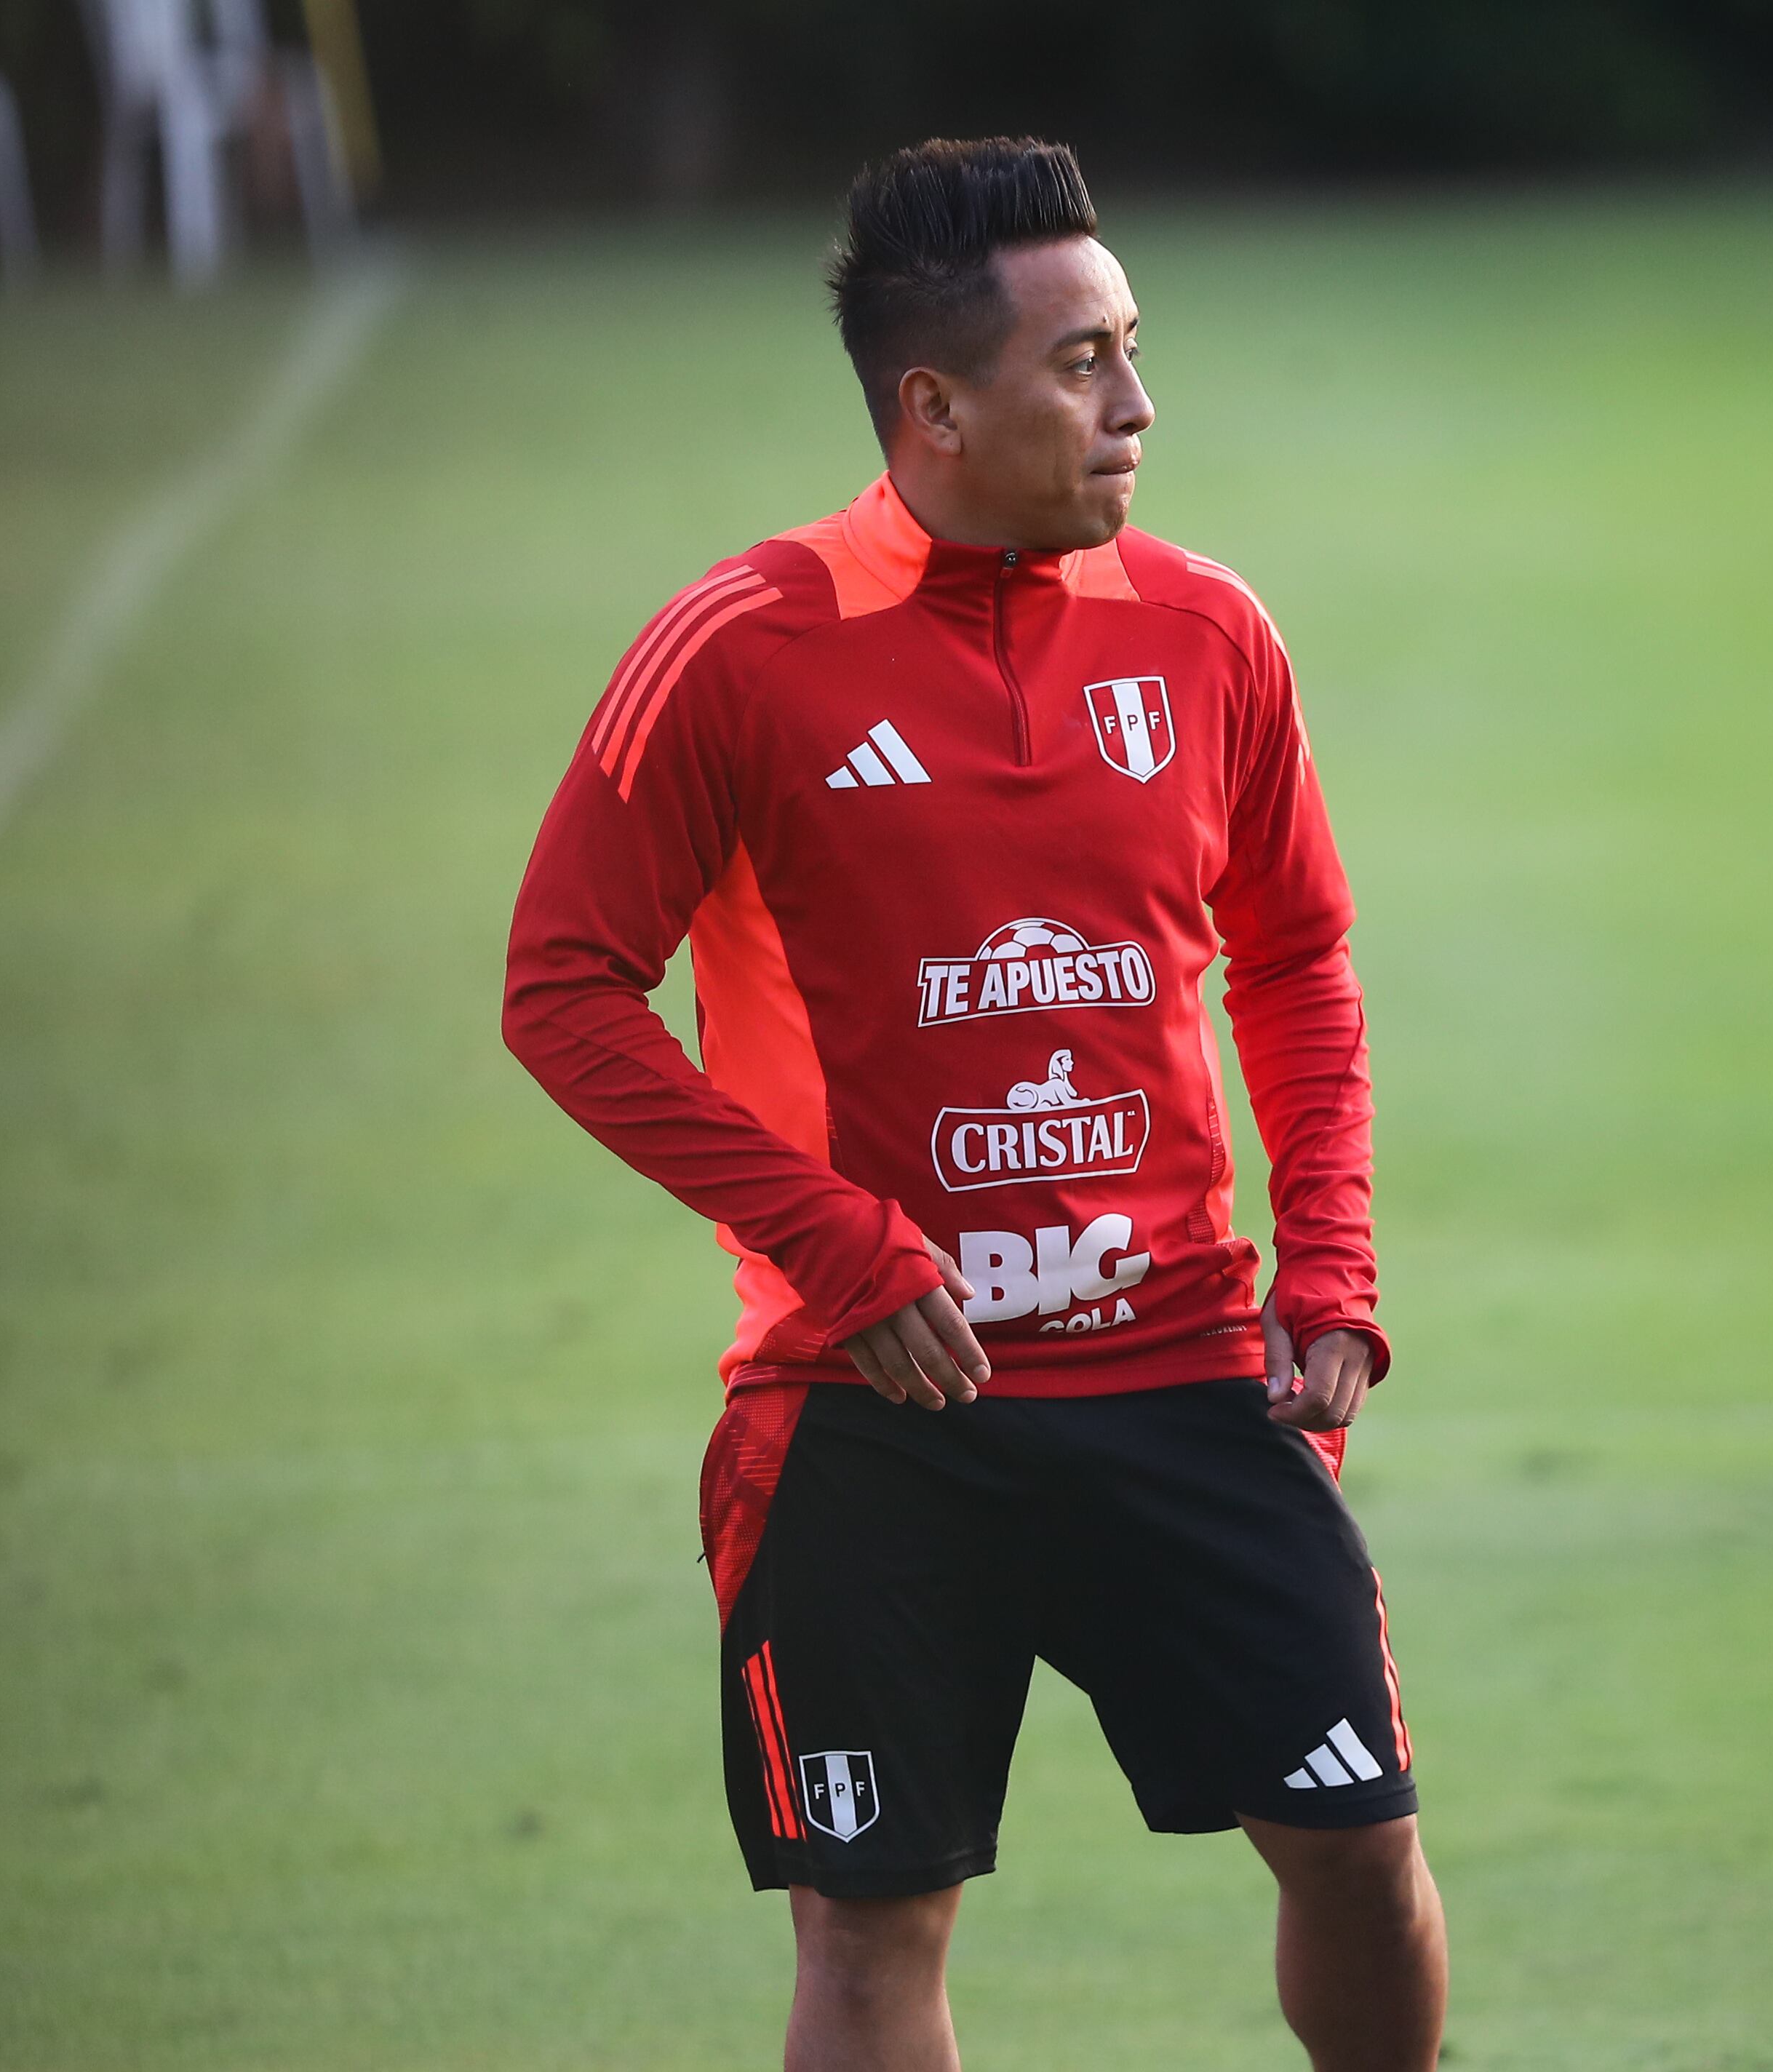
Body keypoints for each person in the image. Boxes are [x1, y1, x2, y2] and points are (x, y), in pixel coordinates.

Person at [503, 136, 1443, 2071]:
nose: (1137, 403)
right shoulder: (742, 651)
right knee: (871, 1931)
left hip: (1190, 1377)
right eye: (1084, 362)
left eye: (1130, 349)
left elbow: (1298, 960)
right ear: (932, 405)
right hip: (869, 1412)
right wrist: (834, 1244)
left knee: (1356, 1847)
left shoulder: (1206, 635)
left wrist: (1330, 1266)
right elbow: (563, 992)